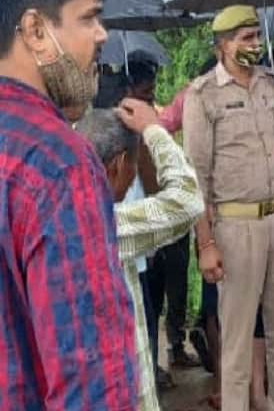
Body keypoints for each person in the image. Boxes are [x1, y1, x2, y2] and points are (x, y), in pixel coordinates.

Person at [0, 0, 138, 410]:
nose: (101, 35)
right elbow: (93, 381)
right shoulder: (58, 164)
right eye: (88, 17)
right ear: (36, 31)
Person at [184, 5, 274, 411]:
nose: (255, 46)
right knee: (238, 339)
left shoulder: (269, 84)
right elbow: (196, 178)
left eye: (256, 37)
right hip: (235, 227)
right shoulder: (202, 96)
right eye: (246, 39)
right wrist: (206, 243)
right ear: (223, 45)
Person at [76, 100, 206, 411]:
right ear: (118, 165)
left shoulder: (64, 216)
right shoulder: (110, 225)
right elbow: (187, 200)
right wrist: (155, 131)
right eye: (136, 165)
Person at [132, 55, 203, 379]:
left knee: (175, 289)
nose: (150, 92)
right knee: (151, 296)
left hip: (173, 222)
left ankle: (174, 347)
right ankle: (154, 364)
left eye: (153, 86)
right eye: (145, 86)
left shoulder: (160, 115)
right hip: (150, 219)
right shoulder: (125, 124)